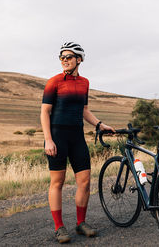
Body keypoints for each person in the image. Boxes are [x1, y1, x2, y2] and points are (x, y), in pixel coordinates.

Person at [40, 42, 114, 243]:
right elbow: (45, 111)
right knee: (58, 182)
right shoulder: (53, 82)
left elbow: (84, 110)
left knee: (85, 181)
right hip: (57, 136)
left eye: (69, 57)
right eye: (62, 57)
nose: (64, 60)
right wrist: (48, 139)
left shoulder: (84, 83)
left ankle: (81, 223)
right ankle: (59, 228)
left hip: (77, 137)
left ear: (79, 59)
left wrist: (100, 125)